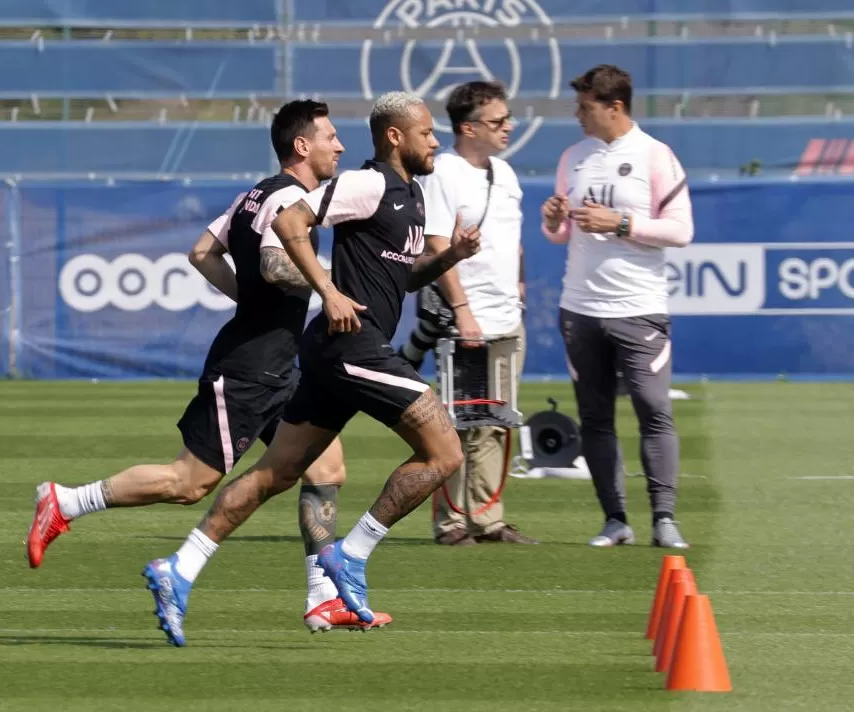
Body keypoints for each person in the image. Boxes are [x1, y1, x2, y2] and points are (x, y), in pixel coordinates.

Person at [25, 99, 392, 631]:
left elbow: (202, 252)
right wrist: (327, 285)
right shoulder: (289, 198)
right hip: (248, 367)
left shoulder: (256, 194)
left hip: (281, 364)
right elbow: (271, 260)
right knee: (188, 483)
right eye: (331, 136)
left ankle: (322, 598)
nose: (340, 145)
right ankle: (64, 501)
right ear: (302, 146)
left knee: (326, 468)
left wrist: (252, 297)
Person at [141, 91, 481, 647]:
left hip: (333, 353)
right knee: (444, 452)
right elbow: (293, 220)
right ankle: (350, 555)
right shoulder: (367, 183)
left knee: (279, 474)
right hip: (353, 347)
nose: (436, 141)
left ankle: (179, 567)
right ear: (395, 136)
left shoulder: (412, 195)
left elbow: (404, 278)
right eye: (426, 133)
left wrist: (448, 258)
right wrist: (329, 290)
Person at [540, 64, 694, 549]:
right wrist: (554, 221)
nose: (578, 115)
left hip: (639, 306)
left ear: (615, 108)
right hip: (580, 306)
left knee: (654, 409)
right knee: (595, 417)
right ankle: (615, 520)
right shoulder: (574, 157)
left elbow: (681, 231)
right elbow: (562, 234)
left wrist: (622, 223)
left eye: (586, 107)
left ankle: (664, 518)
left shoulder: (656, 155)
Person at [397, 80, 536, 546]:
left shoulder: (506, 173)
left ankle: (488, 518)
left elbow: (512, 239)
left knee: (497, 421)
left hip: (505, 314)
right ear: (467, 127)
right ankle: (453, 523)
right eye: (497, 121)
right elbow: (437, 244)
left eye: (507, 118)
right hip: (465, 317)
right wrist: (462, 308)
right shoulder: (444, 173)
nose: (508, 127)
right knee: (458, 422)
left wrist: (519, 283)